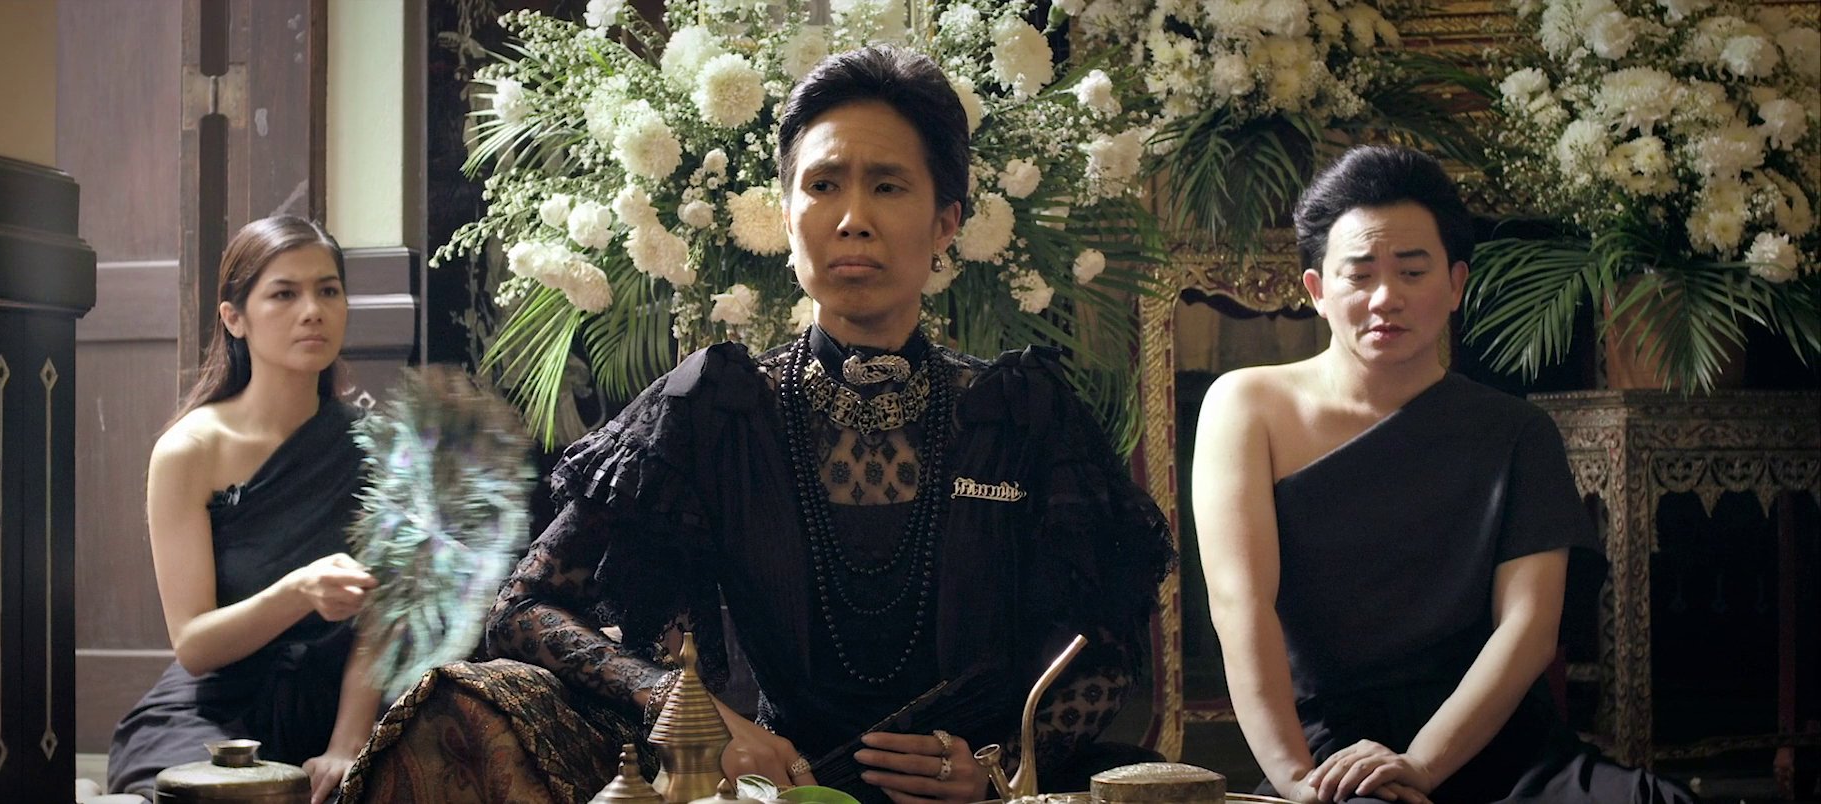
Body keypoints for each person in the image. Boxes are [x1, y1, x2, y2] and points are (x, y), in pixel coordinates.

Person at [339, 45, 1173, 804]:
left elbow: (1103, 648)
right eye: (823, 185)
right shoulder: (716, 407)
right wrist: (686, 710)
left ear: (946, 222)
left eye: (888, 186)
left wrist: (1000, 765)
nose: (852, 218)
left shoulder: (1020, 413)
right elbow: (524, 608)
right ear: (786, 211)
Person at [1191, 146, 1696, 804]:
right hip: (1335, 752)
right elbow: (1240, 604)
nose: (1385, 298)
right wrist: (1292, 777)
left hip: (1498, 742)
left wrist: (1423, 763)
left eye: (1412, 271)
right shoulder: (1247, 407)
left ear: (1456, 284)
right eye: (1360, 274)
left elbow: (1528, 629)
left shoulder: (1516, 432)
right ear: (1317, 290)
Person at [106, 216, 384, 804]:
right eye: (284, 294)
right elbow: (194, 646)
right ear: (234, 318)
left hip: (339, 704)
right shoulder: (189, 450)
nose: (312, 311)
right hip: (214, 709)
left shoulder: (379, 447)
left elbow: (385, 620)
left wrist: (348, 745)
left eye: (328, 290)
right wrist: (299, 591)